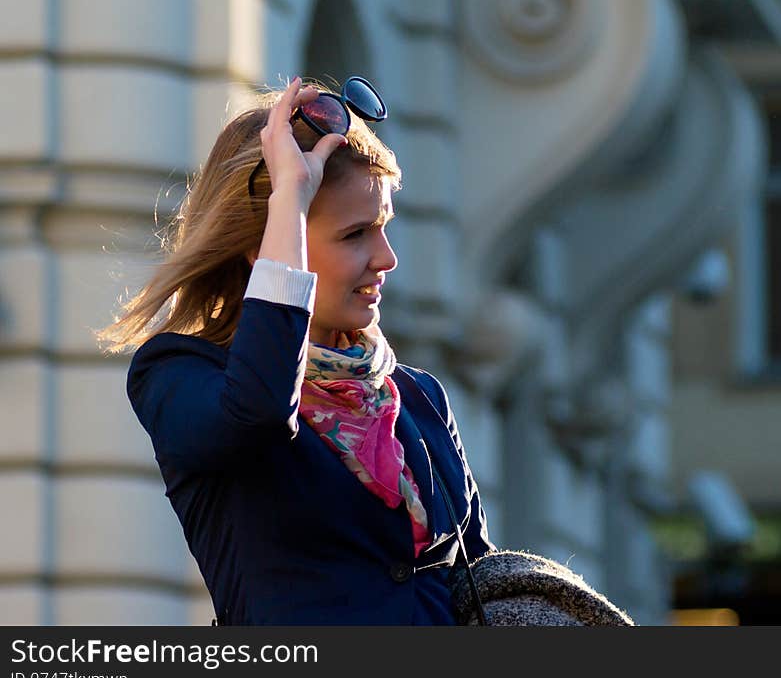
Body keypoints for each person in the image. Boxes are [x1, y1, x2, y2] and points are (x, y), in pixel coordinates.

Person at [97, 76, 495, 625]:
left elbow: (479, 581)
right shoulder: (178, 372)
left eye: (383, 227)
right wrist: (289, 196)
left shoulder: (419, 397)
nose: (386, 258)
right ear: (262, 246)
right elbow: (258, 414)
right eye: (355, 234)